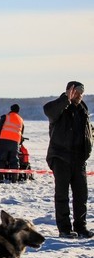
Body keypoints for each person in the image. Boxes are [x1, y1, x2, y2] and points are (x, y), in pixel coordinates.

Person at [44, 81, 93, 239]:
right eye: (76, 92)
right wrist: (66, 99)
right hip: (60, 157)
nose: (78, 95)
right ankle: (64, 229)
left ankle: (81, 227)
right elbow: (49, 111)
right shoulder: (59, 108)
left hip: (79, 159)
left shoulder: (83, 110)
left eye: (81, 93)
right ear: (68, 92)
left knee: (81, 195)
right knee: (62, 195)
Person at [0, 104, 24, 183]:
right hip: (15, 142)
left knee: (2, 159)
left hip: (5, 140)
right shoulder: (21, 119)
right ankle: (14, 179)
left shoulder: (6, 117)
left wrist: (0, 135)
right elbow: (22, 132)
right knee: (14, 160)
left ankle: (1, 178)